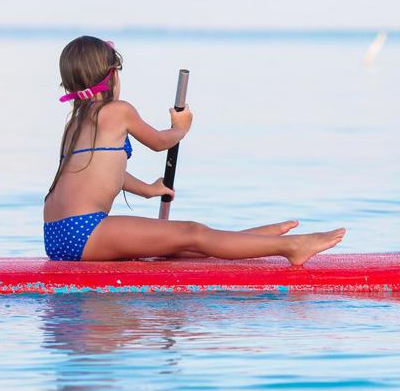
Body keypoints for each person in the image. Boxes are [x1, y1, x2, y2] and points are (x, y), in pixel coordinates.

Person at [43, 36, 344, 264]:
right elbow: (161, 142)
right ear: (113, 76)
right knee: (191, 232)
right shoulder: (118, 111)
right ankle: (292, 248)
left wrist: (148, 189)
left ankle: (246, 241)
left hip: (56, 235)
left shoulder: (74, 124)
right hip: (84, 232)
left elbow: (100, 173)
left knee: (181, 246)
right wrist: (181, 127)